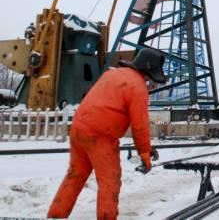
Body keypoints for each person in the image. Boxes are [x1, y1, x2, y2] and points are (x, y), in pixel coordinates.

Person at [47, 48, 166, 220]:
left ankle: (55, 216)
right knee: (110, 181)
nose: (150, 81)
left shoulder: (112, 74)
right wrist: (145, 154)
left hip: (79, 129)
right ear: (147, 71)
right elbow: (139, 126)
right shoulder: (137, 87)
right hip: (101, 137)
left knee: (75, 176)